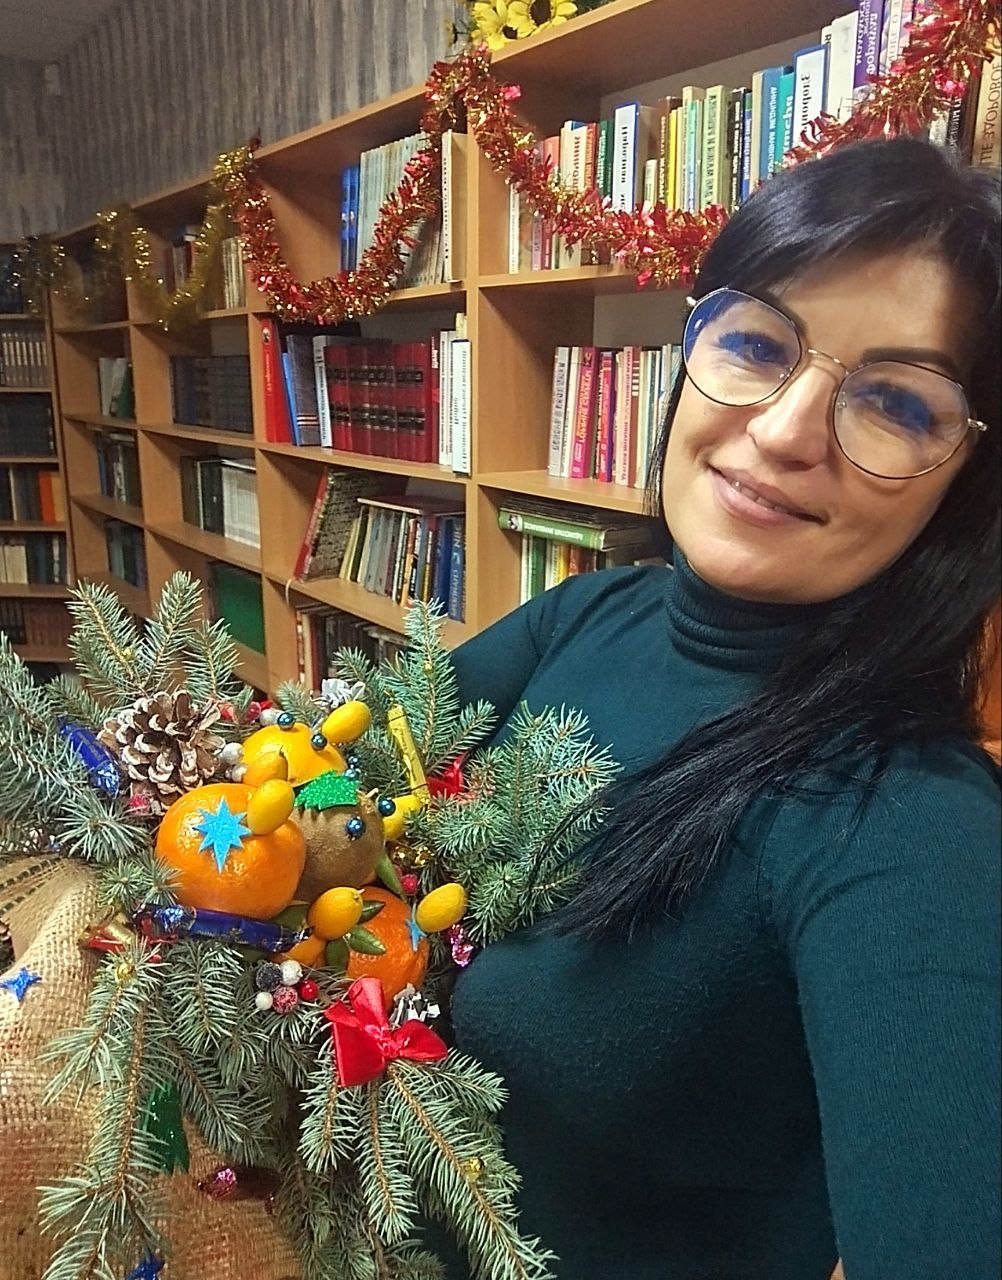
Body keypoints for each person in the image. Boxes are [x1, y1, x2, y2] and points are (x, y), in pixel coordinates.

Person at [445, 136, 1001, 1279]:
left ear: (965, 482)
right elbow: (328, 766)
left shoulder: (908, 821)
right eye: (757, 342)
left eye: (897, 402)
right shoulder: (593, 612)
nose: (786, 430)